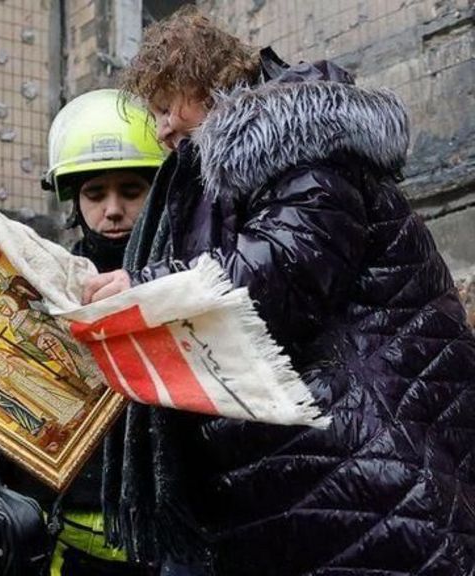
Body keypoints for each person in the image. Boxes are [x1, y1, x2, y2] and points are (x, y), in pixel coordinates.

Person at [81, 7, 475, 575]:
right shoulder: (239, 166)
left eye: (168, 107)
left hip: (363, 448)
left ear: (207, 81)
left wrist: (147, 288)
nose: (162, 129)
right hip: (325, 459)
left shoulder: (299, 143)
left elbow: (286, 269)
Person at [0, 89, 166, 576]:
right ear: (73, 201)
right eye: (95, 194)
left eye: (131, 191)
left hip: (172, 547)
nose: (112, 210)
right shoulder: (38, 286)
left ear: (159, 192)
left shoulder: (186, 286)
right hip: (54, 545)